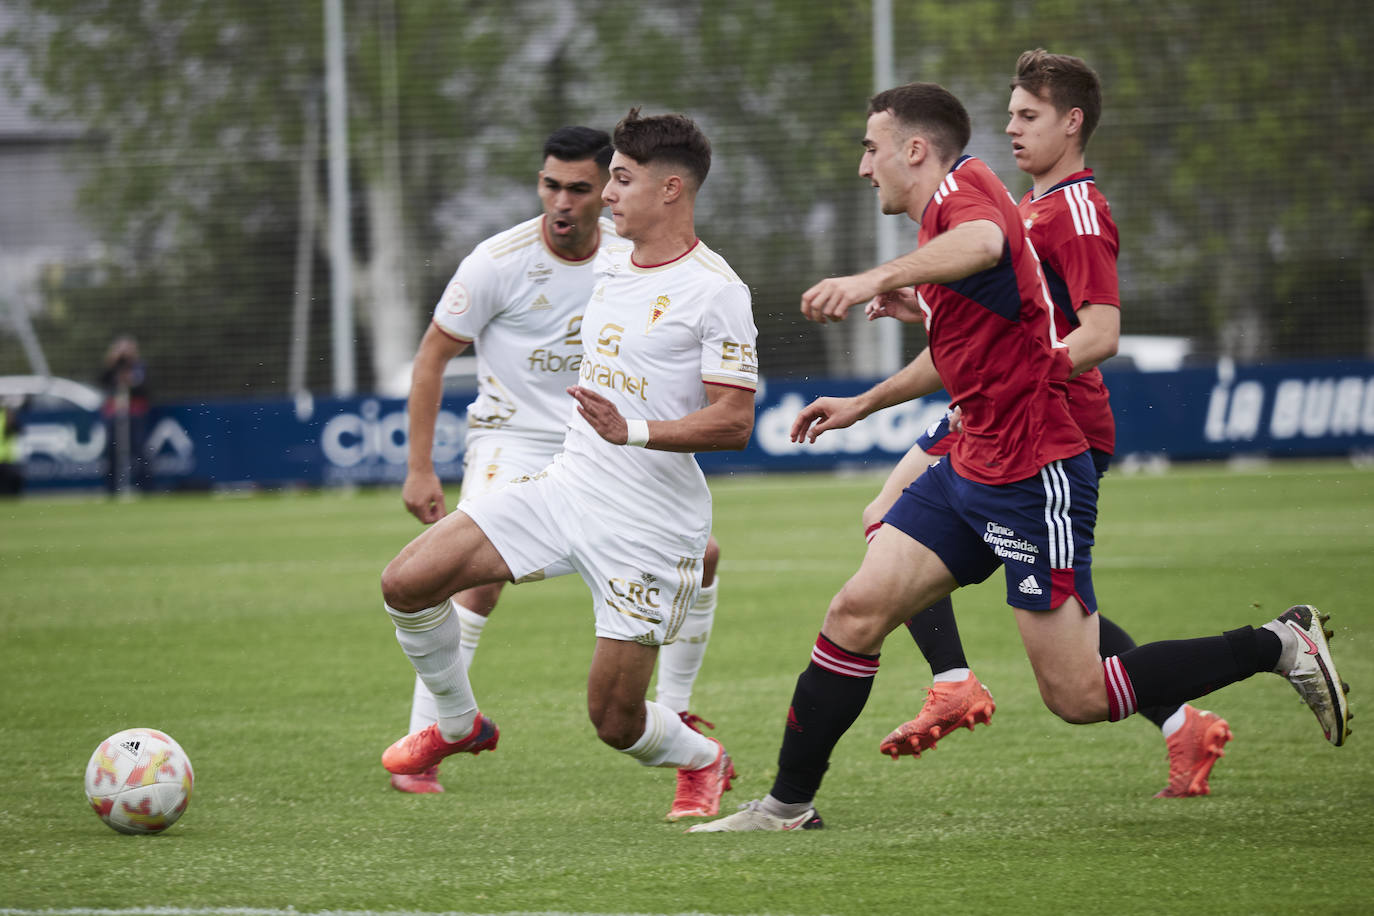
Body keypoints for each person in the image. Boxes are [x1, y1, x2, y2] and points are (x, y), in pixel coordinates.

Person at [690, 82, 1349, 832]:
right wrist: (862, 403)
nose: (863, 167)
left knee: (1077, 697)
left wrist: (877, 278)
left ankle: (1276, 644)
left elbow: (987, 246)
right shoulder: (946, 217)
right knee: (856, 609)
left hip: (1034, 472)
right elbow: (960, 353)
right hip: (972, 457)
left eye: (872, 149)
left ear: (914, 150)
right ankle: (786, 806)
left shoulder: (967, 196)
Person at [794, 51, 1233, 799]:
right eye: (1009, 115)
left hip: (1044, 420)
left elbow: (1097, 334)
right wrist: (929, 316)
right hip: (990, 411)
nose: (1012, 129)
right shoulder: (1015, 205)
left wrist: (1020, 367)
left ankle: (957, 681)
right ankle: (1156, 718)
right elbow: (994, 308)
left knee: (1061, 650)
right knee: (890, 522)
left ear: (1073, 122)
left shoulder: (1078, 212)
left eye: (1028, 116)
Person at [380, 109, 758, 822]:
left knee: (614, 723)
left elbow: (735, 420)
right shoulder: (609, 254)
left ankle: (703, 759)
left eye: (619, 181)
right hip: (565, 488)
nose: (605, 197)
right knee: (406, 582)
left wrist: (634, 429)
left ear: (671, 190)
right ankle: (456, 724)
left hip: (647, 526)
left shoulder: (717, 290)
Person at [99, 335, 150, 494]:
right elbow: (102, 381)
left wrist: (130, 379)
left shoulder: (140, 366)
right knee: (112, 451)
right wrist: (112, 362)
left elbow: (144, 388)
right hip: (115, 412)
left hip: (135, 412)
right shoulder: (111, 367)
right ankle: (111, 490)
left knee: (139, 450)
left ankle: (145, 488)